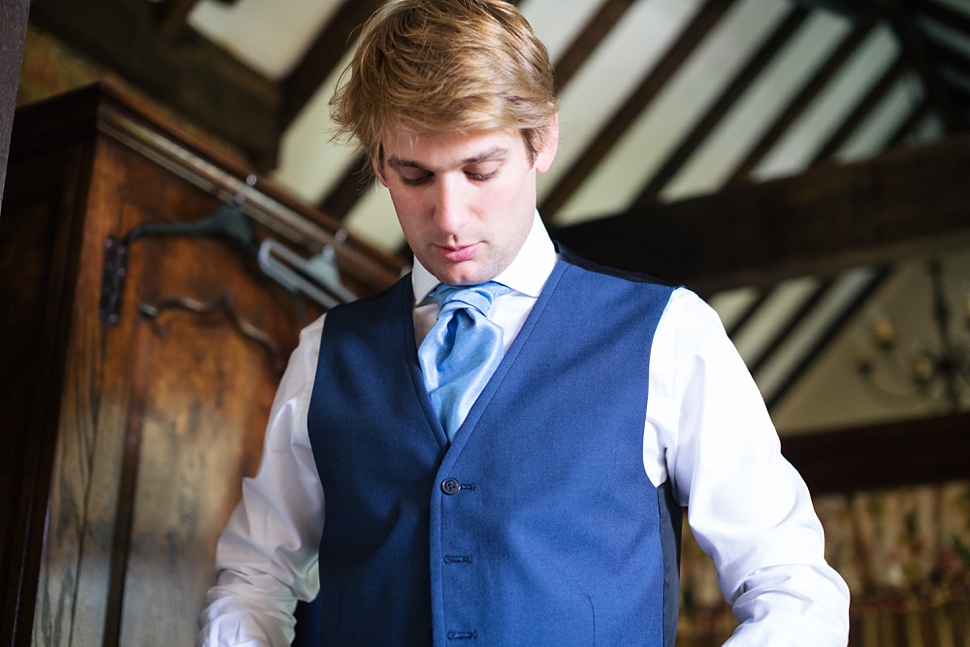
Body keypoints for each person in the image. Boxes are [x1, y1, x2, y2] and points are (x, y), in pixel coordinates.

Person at [197, 0, 850, 645]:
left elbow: (793, 589)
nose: (449, 216)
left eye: (480, 169)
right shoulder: (324, 356)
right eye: (414, 175)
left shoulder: (671, 336)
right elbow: (253, 579)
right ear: (377, 164)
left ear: (544, 139)